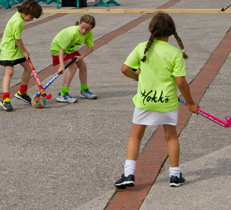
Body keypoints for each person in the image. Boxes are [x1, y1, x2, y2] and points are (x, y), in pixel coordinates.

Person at [114, 12, 198, 189]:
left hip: (144, 100)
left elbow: (124, 69)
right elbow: (181, 82)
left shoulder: (142, 47)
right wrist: (190, 102)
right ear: (171, 32)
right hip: (167, 101)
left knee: (135, 136)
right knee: (171, 136)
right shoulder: (175, 53)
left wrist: (137, 77)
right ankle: (175, 175)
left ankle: (128, 173)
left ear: (151, 29)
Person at [0, 0, 43, 112]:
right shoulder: (18, 22)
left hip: (15, 48)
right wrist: (25, 51)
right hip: (8, 49)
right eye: (32, 17)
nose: (32, 20)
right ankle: (5, 99)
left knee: (28, 69)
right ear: (27, 13)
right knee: (9, 72)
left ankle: (22, 92)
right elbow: (16, 39)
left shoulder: (20, 16)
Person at [50, 15, 97, 103]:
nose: (84, 31)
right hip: (58, 49)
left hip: (70, 49)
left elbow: (90, 47)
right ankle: (62, 94)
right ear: (79, 23)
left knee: (83, 66)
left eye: (87, 29)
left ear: (91, 29)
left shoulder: (89, 33)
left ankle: (84, 91)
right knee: (73, 67)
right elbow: (61, 49)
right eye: (82, 27)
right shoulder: (71, 33)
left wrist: (81, 57)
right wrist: (61, 66)